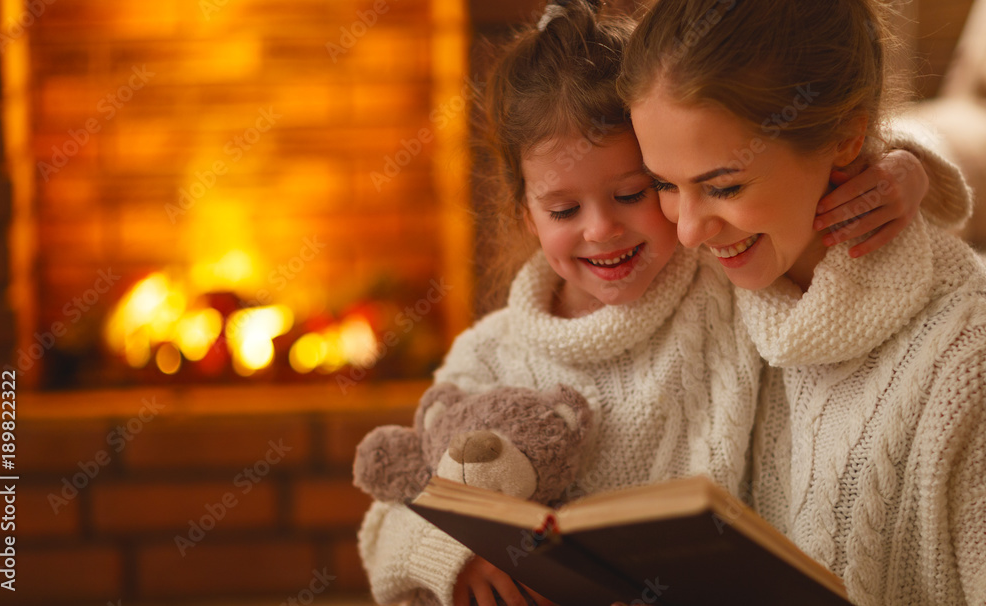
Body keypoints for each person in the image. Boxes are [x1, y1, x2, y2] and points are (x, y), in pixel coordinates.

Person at [358, 2, 965, 605]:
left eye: (634, 192)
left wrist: (904, 171)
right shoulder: (488, 352)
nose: (601, 230)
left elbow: (801, 165)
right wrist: (451, 554)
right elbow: (395, 503)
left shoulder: (718, 282)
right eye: (564, 211)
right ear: (525, 215)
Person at [620, 1, 986, 605]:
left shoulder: (963, 363)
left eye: (723, 187)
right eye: (664, 184)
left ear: (846, 137)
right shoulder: (696, 289)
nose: (687, 232)